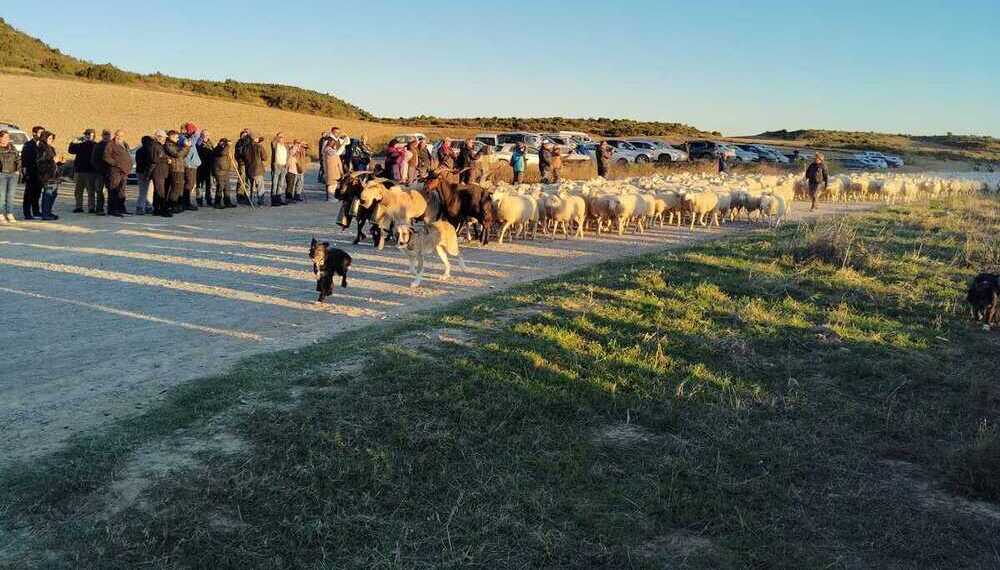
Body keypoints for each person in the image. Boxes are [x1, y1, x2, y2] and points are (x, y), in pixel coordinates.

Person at [102, 129, 133, 217]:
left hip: (124, 171)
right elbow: (106, 157)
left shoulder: (124, 144)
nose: (119, 137)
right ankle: (112, 210)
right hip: (115, 171)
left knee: (121, 191)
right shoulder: (110, 144)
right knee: (114, 190)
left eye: (122, 136)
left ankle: (121, 208)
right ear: (115, 135)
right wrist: (116, 164)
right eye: (118, 135)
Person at [68, 128, 99, 213]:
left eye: (91, 135)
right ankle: (79, 207)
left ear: (94, 136)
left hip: (91, 172)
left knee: (91, 191)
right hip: (79, 171)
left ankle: (91, 207)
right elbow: (70, 150)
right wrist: (75, 141)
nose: (89, 136)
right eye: (87, 134)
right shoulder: (80, 145)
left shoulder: (96, 145)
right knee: (78, 190)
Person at [35, 130, 61, 221]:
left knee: (53, 194)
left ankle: (48, 212)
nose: (51, 140)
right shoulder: (41, 148)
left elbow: (53, 161)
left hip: (54, 175)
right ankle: (45, 214)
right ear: (44, 138)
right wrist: (53, 161)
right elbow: (40, 163)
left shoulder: (51, 148)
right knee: (48, 194)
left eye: (52, 138)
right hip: (46, 175)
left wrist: (60, 162)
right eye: (49, 138)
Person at [21, 125, 44, 220]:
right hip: (31, 172)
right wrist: (25, 173)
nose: (42, 135)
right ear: (34, 133)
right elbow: (25, 160)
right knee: (29, 194)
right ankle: (27, 213)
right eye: (40, 133)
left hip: (40, 173)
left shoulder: (43, 145)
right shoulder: (28, 145)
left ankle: (36, 211)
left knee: (37, 194)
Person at [164, 130, 190, 214]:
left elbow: (184, 155)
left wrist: (187, 147)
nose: (178, 139)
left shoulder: (176, 145)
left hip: (180, 168)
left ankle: (176, 205)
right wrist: (185, 147)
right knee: (175, 189)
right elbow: (177, 154)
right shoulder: (168, 144)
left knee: (179, 189)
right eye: (176, 137)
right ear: (170, 137)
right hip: (175, 169)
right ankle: (171, 205)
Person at [178, 123, 202, 210]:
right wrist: (194, 131)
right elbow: (195, 138)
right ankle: (185, 203)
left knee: (190, 184)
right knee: (189, 184)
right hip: (189, 164)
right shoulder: (182, 138)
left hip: (193, 164)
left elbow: (198, 139)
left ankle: (186, 202)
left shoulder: (188, 138)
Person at [149, 130, 172, 217]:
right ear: (158, 137)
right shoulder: (155, 146)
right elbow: (154, 159)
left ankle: (156, 209)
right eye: (163, 138)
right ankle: (162, 210)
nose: (164, 139)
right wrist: (167, 160)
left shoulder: (159, 146)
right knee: (160, 192)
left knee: (158, 192)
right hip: (158, 172)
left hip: (161, 171)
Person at [0, 130, 20, 223]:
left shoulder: (12, 147)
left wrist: (18, 170)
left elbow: (18, 158)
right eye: (5, 137)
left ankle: (9, 213)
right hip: (1, 174)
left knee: (11, 195)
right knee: (1, 195)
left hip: (12, 174)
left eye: (8, 137)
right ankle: (0, 214)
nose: (7, 139)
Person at [90, 130, 112, 215]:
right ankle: (99, 209)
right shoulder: (98, 146)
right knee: (100, 191)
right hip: (100, 172)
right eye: (105, 135)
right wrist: (99, 169)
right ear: (102, 136)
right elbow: (93, 159)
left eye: (108, 135)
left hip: (111, 172)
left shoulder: (113, 145)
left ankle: (111, 209)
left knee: (111, 191)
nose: (106, 136)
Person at [211, 138, 235, 208]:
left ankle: (227, 202)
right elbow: (222, 153)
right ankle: (217, 203)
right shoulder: (217, 149)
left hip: (225, 171)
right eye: (223, 143)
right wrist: (228, 145)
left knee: (227, 187)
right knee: (220, 187)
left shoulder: (225, 149)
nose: (224, 144)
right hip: (219, 171)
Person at [134, 135, 155, 215]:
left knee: (143, 191)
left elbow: (138, 162)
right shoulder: (149, 150)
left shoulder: (139, 150)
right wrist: (148, 173)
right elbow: (149, 163)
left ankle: (146, 206)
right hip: (146, 172)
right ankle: (142, 207)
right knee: (147, 191)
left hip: (139, 172)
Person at [246, 135, 268, 205]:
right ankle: (260, 201)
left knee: (250, 186)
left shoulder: (247, 147)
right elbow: (265, 157)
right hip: (258, 169)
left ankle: (249, 201)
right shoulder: (258, 147)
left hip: (249, 168)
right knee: (260, 186)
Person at [196, 130, 215, 205]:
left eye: (207, 135)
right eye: (204, 135)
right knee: (200, 185)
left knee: (209, 184)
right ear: (201, 135)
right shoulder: (198, 143)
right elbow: (197, 150)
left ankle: (209, 199)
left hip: (209, 166)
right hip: (201, 167)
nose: (206, 136)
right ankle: (199, 200)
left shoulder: (210, 143)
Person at [323, 135, 344, 200]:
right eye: (333, 142)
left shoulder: (332, 149)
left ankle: (332, 197)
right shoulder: (327, 149)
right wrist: (343, 145)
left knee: (335, 184)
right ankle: (330, 198)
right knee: (331, 184)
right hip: (331, 170)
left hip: (335, 169)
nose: (334, 144)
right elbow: (336, 153)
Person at [270, 132, 289, 206]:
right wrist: (277, 136)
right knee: (275, 183)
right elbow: (272, 142)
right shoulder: (275, 145)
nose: (281, 139)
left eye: (282, 137)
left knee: (281, 184)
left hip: (284, 166)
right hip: (277, 166)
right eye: (280, 137)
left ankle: (279, 198)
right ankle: (274, 200)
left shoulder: (285, 146)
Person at [234, 129, 251, 199]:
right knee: (241, 179)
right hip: (242, 164)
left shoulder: (249, 143)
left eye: (246, 135)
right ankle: (240, 194)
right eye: (243, 135)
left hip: (249, 164)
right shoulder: (239, 143)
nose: (244, 137)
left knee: (247, 179)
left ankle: (247, 194)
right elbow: (239, 153)